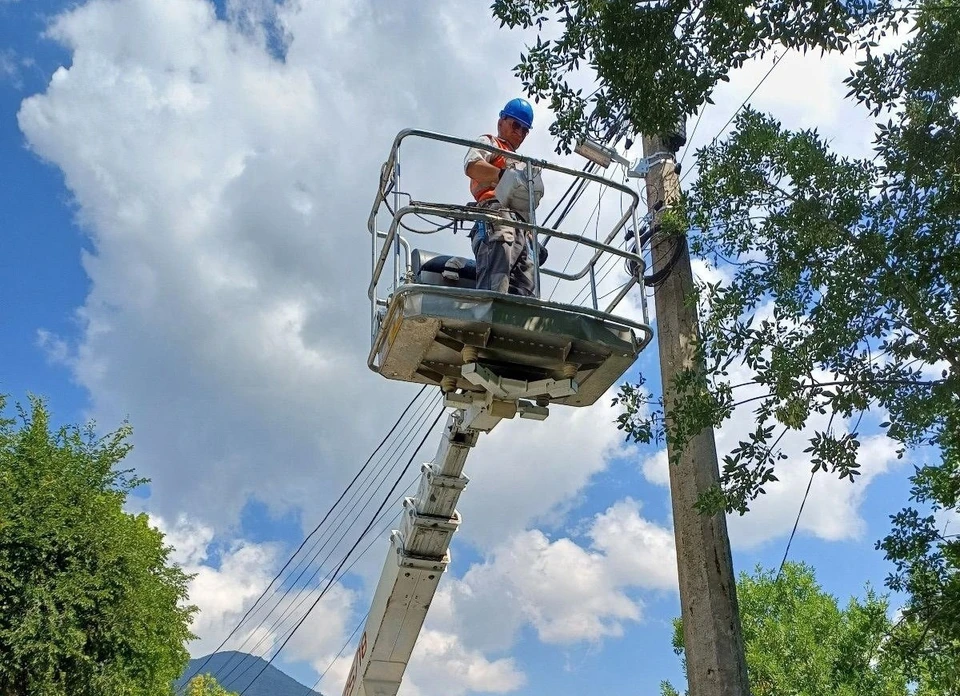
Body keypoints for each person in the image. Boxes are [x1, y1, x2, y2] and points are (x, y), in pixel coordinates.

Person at [464, 98, 539, 297]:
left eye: (525, 130)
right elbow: (472, 166)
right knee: (496, 281)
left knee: (525, 287)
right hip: (496, 216)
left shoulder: (523, 163)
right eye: (516, 125)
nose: (520, 133)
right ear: (501, 122)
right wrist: (502, 176)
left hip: (521, 226)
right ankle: (489, 315)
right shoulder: (490, 143)